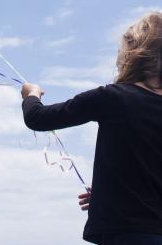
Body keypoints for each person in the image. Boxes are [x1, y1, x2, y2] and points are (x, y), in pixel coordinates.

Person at [21, 12, 162, 244]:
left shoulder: (113, 97)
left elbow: (38, 118)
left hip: (127, 234)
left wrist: (31, 95)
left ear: (134, 54)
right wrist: (110, 196)